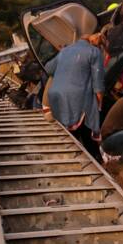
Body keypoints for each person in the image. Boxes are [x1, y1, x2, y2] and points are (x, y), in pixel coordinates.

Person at [43, 33, 106, 162]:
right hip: (77, 97)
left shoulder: (65, 50)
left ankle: (72, 157)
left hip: (56, 97)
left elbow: (48, 68)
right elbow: (98, 84)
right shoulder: (94, 52)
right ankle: (96, 159)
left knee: (71, 133)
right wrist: (99, 104)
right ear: (95, 41)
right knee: (87, 130)